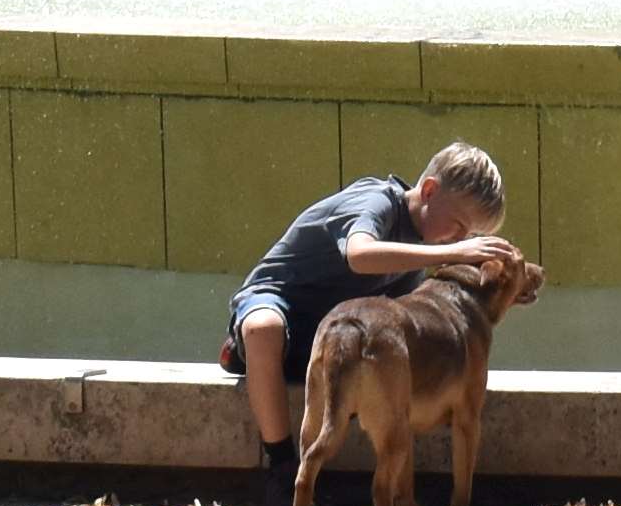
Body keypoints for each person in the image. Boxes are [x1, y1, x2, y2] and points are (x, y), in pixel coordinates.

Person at [223, 142, 525, 466]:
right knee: (264, 328)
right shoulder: (376, 200)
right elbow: (359, 255)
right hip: (279, 302)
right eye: (459, 226)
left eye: (469, 236)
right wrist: (452, 254)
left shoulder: (416, 257)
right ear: (429, 191)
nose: (461, 240)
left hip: (328, 336)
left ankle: (284, 362)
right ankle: (280, 465)